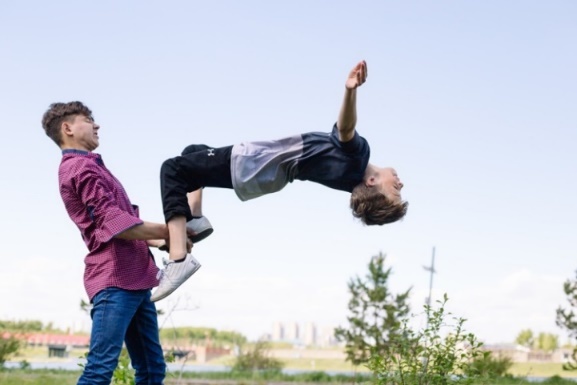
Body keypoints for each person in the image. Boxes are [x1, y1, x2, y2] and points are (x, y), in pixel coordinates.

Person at [151, 60, 408, 302]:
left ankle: (178, 258)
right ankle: (195, 218)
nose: (400, 184)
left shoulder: (357, 158)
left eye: (395, 189)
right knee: (193, 152)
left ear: (372, 181)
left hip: (253, 163)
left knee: (172, 169)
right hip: (263, 175)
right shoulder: (350, 181)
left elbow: (345, 128)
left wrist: (350, 91)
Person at [41, 101, 185, 385]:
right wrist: (173, 232)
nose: (97, 125)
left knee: (152, 370)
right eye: (88, 119)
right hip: (114, 281)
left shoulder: (93, 167)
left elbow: (125, 225)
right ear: (67, 128)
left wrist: (164, 240)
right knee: (99, 371)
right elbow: (114, 224)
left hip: (137, 279)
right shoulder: (79, 168)